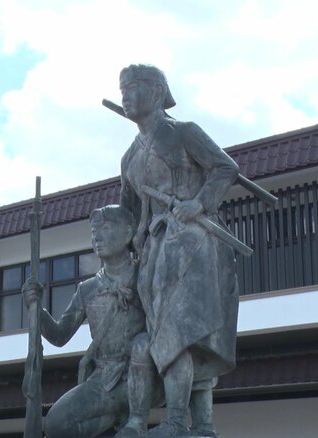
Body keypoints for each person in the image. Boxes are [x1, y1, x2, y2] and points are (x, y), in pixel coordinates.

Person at [115, 64, 240, 437]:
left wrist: (199, 203)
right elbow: (128, 213)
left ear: (157, 92)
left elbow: (225, 167)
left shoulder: (183, 132)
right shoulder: (129, 157)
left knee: (183, 331)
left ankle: (179, 423)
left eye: (134, 86)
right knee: (165, 333)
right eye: (122, 87)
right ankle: (197, 425)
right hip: (155, 251)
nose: (125, 94)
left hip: (194, 242)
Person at [22, 205, 158, 438]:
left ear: (127, 233)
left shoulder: (146, 274)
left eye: (105, 228)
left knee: (142, 344)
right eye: (94, 230)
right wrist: (36, 309)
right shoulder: (87, 289)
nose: (97, 236)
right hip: (104, 378)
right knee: (56, 424)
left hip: (144, 373)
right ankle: (115, 418)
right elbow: (59, 335)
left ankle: (134, 422)